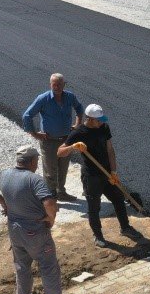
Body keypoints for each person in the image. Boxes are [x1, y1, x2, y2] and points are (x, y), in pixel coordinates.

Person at [0, 145, 77, 294]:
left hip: (15, 230)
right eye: (37, 160)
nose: (37, 163)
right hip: (35, 231)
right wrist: (50, 219)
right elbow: (49, 203)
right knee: (48, 266)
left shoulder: (3, 175)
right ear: (31, 161)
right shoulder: (34, 180)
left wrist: (3, 202)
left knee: (22, 266)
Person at [59, 104, 141, 247]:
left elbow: (110, 149)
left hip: (108, 174)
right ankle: (98, 236)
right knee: (94, 207)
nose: (102, 122)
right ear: (90, 119)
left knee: (118, 199)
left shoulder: (104, 127)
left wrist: (114, 171)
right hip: (91, 176)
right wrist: (73, 147)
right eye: (99, 120)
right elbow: (60, 152)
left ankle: (125, 228)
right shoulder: (79, 133)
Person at [23, 73, 84, 202]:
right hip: (49, 142)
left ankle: (61, 192)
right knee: (50, 171)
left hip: (66, 140)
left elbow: (79, 108)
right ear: (50, 85)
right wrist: (35, 133)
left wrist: (78, 123)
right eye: (54, 84)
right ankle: (50, 198)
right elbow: (27, 115)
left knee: (63, 168)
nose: (57, 87)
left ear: (64, 84)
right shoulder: (43, 99)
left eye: (59, 84)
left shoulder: (70, 97)